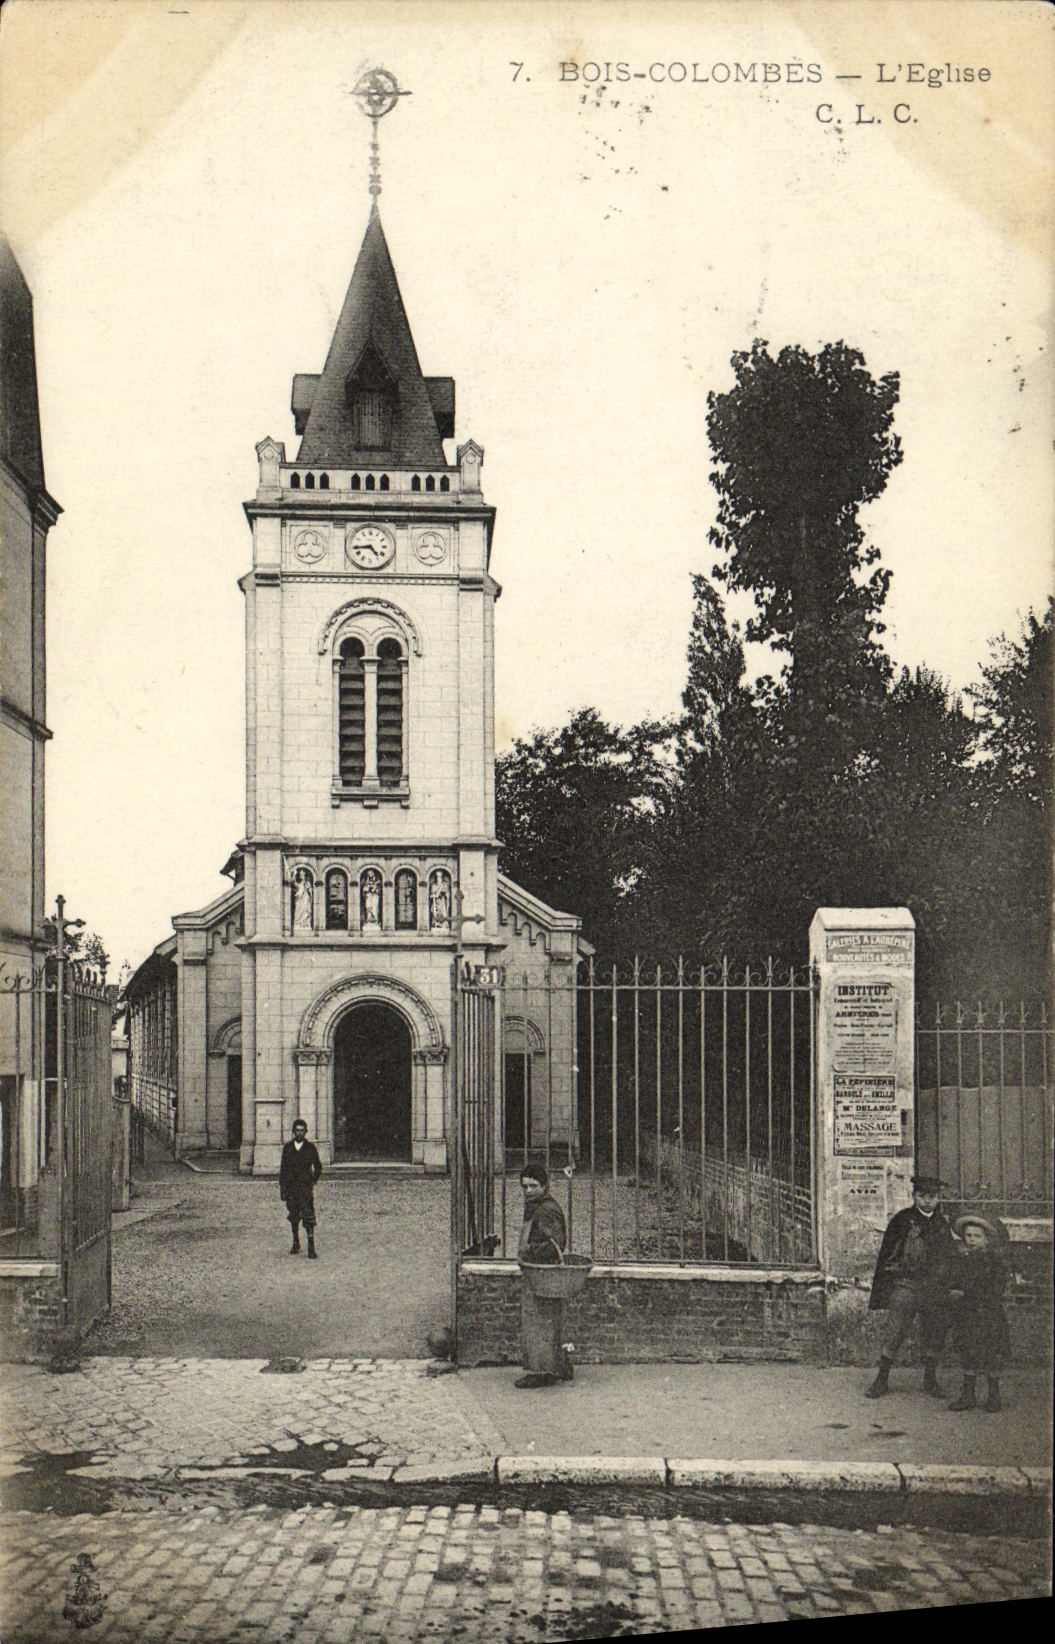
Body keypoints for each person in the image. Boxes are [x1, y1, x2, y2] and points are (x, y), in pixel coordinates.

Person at [865, 1172, 957, 1398]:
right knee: (896, 1330)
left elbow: (950, 1256)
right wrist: (897, 1276)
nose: (928, 1200)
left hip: (935, 1287)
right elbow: (889, 1254)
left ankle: (930, 1380)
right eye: (923, 1195)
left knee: (934, 1331)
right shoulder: (902, 1220)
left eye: (933, 1196)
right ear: (914, 1195)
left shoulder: (942, 1224)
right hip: (907, 1285)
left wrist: (946, 1281)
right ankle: (881, 1379)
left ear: (939, 1198)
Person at [515, 1161, 573, 1390]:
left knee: (538, 1321)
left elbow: (556, 1242)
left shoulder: (546, 1209)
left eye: (533, 1186)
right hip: (538, 1270)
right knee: (546, 1319)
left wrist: (531, 1253)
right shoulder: (536, 1206)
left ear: (545, 1186)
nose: (528, 1191)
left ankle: (541, 1371)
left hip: (543, 1272)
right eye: (525, 1187)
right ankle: (558, 1365)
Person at [947, 1213, 1011, 1412]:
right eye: (968, 1236)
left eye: (976, 1236)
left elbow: (994, 1290)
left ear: (986, 1239)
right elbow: (955, 1282)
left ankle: (993, 1395)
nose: (971, 1240)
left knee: (992, 1354)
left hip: (989, 1314)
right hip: (967, 1314)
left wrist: (965, 1292)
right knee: (968, 1352)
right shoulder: (962, 1261)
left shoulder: (995, 1263)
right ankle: (968, 1395)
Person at [279, 1119, 323, 1258]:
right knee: (294, 1215)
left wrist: (312, 1180)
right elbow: (283, 1169)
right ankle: (296, 1242)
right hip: (291, 1187)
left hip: (305, 1188)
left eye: (302, 1130)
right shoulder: (288, 1148)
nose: (299, 1133)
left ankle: (311, 1246)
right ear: (293, 1131)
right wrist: (283, 1189)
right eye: (297, 1130)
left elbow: (318, 1166)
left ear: (306, 1132)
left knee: (308, 1216)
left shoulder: (310, 1148)